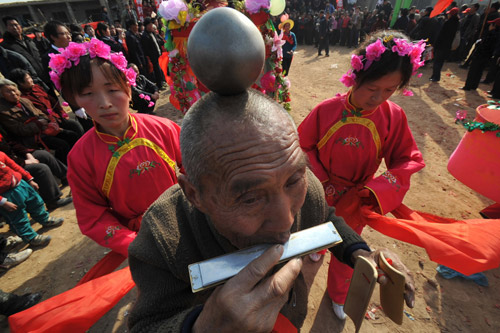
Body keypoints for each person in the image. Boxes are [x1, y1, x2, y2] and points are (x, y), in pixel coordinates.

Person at [298, 31, 425, 320]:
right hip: (323, 192)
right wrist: (322, 180)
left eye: (390, 90)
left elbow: (407, 159)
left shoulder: (393, 117)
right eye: (372, 88)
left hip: (358, 198)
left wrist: (378, 189)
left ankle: (339, 296)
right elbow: (303, 144)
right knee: (317, 234)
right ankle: (317, 251)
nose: (378, 98)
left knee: (350, 254)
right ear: (357, 75)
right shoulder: (326, 110)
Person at [49, 39, 182, 257]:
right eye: (88, 94)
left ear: (129, 88)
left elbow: (196, 171)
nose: (104, 103)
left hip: (186, 218)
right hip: (143, 240)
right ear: (74, 100)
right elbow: (93, 216)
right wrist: (136, 244)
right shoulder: (81, 157)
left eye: (112, 89)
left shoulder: (164, 128)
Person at [0, 79, 78, 165]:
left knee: (71, 135)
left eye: (14, 90)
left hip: (44, 129)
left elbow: (40, 113)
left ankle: (77, 157)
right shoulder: (3, 111)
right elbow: (19, 130)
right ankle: (66, 166)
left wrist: (45, 120)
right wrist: (38, 124)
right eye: (8, 92)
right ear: (2, 95)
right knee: (62, 145)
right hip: (31, 137)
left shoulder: (24, 101)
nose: (13, 94)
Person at [0, 150, 64, 246]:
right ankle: (31, 238)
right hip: (7, 196)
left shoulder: (1, 154)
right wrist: (2, 202)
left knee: (36, 203)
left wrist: (29, 178)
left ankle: (45, 219)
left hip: (21, 185)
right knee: (18, 218)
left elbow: (15, 166)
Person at [9, 68, 84, 137]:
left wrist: (62, 113)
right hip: (47, 125)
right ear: (20, 83)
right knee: (70, 136)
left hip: (57, 117)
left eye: (30, 77)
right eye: (28, 79)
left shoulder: (37, 87)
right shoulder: (23, 99)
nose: (31, 80)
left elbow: (53, 101)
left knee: (75, 126)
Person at [1, 17, 50, 88]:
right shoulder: (5, 46)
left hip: (45, 78)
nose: (15, 27)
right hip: (29, 83)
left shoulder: (29, 41)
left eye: (16, 25)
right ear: (7, 28)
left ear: (20, 26)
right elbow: (7, 69)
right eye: (11, 25)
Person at [430, 7, 460, 82]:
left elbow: (441, 35)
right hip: (447, 46)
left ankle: (435, 77)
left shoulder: (448, 23)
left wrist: (435, 45)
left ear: (452, 14)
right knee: (440, 62)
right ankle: (436, 76)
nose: (448, 15)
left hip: (441, 45)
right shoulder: (457, 23)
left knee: (437, 62)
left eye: (449, 14)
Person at [141, 18, 167, 90]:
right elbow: (146, 49)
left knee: (159, 69)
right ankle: (159, 85)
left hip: (158, 54)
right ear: (146, 26)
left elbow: (157, 41)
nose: (151, 26)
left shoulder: (152, 33)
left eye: (151, 24)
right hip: (152, 57)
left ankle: (162, 82)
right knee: (156, 71)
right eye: (149, 25)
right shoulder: (144, 36)